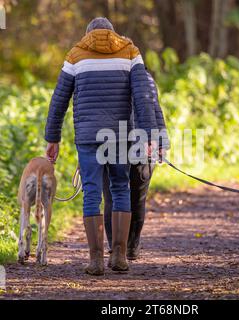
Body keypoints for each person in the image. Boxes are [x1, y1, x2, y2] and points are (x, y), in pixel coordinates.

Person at [44, 17, 160, 275]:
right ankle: (119, 256)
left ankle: (95, 260)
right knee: (121, 189)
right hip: (119, 135)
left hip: (88, 138)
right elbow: (144, 96)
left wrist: (53, 137)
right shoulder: (130, 52)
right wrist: (151, 135)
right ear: (113, 33)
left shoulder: (75, 55)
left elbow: (59, 99)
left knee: (93, 194)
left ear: (88, 34)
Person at [103, 70, 170, 263]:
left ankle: (115, 247)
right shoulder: (146, 77)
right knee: (137, 199)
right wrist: (161, 144)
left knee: (111, 197)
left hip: (110, 143)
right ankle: (131, 247)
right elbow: (156, 111)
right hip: (143, 145)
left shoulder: (106, 77)